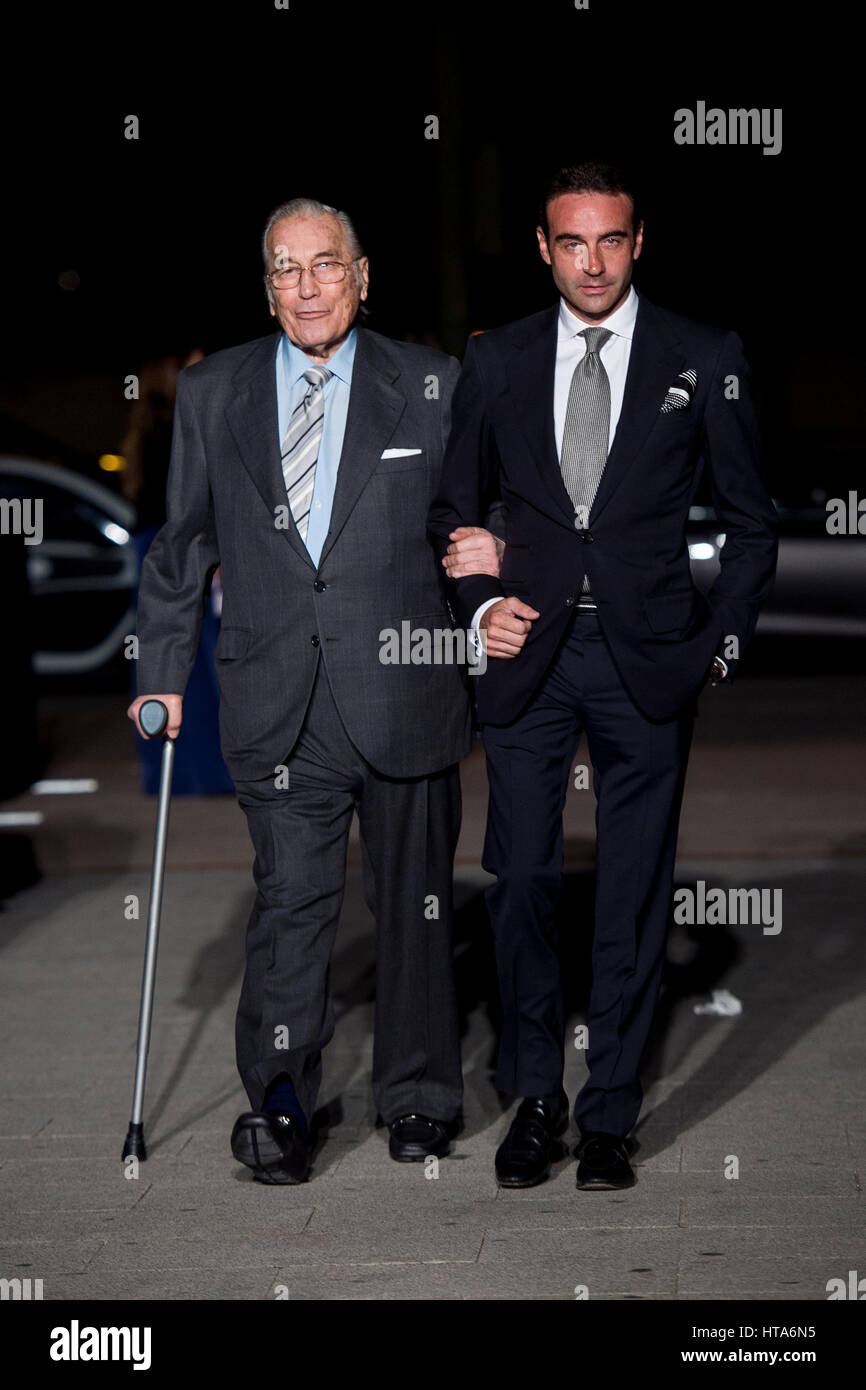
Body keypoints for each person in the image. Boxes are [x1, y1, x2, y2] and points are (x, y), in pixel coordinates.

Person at [429, 160, 778, 1191]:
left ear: (637, 242)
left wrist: (712, 642)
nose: (591, 261)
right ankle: (534, 1095)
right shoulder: (496, 360)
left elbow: (751, 525)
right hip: (529, 653)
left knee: (631, 893)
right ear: (542, 247)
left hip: (646, 658)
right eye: (570, 242)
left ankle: (610, 1112)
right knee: (523, 879)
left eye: (609, 241)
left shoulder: (701, 354)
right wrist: (481, 607)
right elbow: (452, 510)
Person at [129, 198, 470, 1183]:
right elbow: (181, 544)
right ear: (266, 286)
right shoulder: (214, 391)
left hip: (405, 685)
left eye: (326, 266)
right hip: (275, 694)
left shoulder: (433, 385)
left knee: (415, 907)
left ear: (363, 278)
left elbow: (469, 530)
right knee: (290, 904)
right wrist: (161, 675)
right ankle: (279, 1103)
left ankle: (417, 1098)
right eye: (286, 269)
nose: (307, 286)